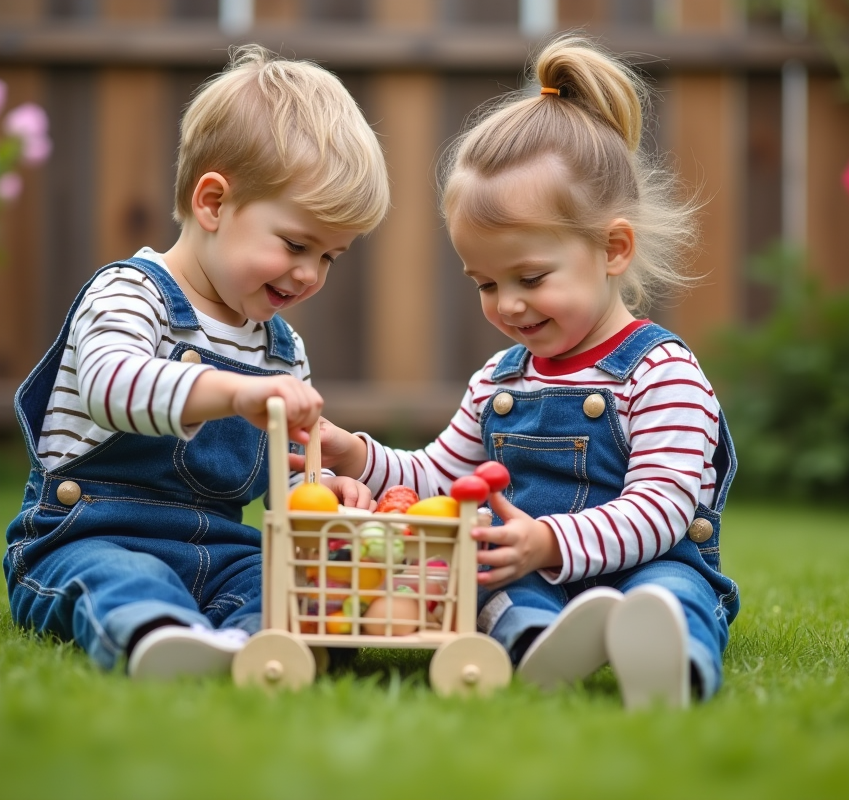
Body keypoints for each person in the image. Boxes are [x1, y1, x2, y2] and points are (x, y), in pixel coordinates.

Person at [307, 35, 739, 709]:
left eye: (530, 278)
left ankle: (670, 663)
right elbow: (439, 477)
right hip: (528, 569)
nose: (507, 304)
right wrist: (356, 456)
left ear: (613, 248)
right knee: (488, 581)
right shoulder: (500, 381)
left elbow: (661, 509)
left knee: (671, 594)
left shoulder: (662, 373)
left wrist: (549, 541)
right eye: (485, 283)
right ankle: (539, 645)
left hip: (643, 565)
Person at [4, 46, 388, 679]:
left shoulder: (281, 349)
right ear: (212, 203)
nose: (309, 274)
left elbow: (288, 474)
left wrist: (322, 490)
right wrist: (232, 393)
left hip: (219, 549)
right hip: (90, 535)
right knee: (123, 579)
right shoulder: (132, 293)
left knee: (293, 589)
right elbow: (110, 386)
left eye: (329, 257)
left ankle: (251, 642)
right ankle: (159, 635)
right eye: (296, 244)